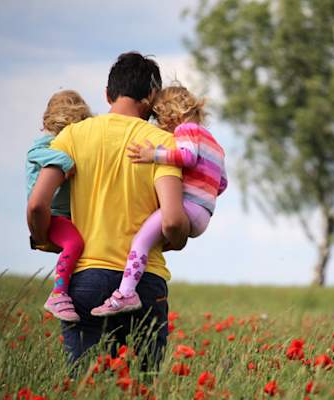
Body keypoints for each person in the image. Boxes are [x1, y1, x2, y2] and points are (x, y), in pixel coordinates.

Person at [27, 52, 189, 368]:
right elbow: (171, 221)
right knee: (141, 387)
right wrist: (179, 237)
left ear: (107, 94)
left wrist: (44, 237)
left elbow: (36, 204)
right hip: (144, 283)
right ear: (152, 98)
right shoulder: (162, 143)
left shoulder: (72, 136)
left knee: (87, 386)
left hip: (84, 279)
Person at [91, 84, 227, 316]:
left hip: (188, 207)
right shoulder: (215, 144)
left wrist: (152, 155)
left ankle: (126, 293)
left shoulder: (186, 130)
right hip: (204, 213)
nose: (160, 126)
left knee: (140, 241)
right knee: (153, 239)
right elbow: (222, 183)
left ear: (172, 114)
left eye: (160, 118)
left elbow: (187, 157)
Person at [26, 90, 91, 322]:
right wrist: (66, 161)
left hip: (65, 214)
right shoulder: (46, 145)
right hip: (52, 215)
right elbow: (36, 154)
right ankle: (58, 293)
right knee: (74, 243)